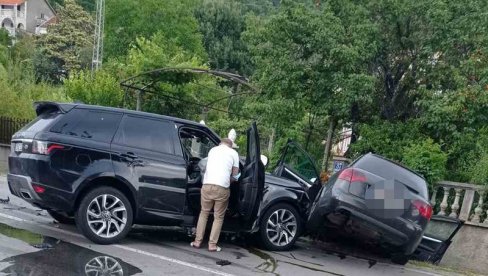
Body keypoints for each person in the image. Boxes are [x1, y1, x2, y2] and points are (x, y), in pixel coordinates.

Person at [191, 138, 239, 252]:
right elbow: (235, 175)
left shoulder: (212, 150)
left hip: (207, 185)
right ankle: (212, 245)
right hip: (222, 188)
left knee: (204, 213)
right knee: (218, 217)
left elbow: (205, 167)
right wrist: (228, 181)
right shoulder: (233, 153)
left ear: (220, 144)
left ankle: (197, 242)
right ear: (230, 146)